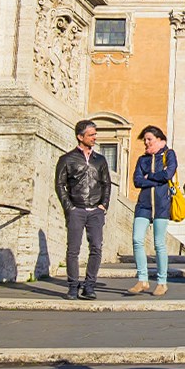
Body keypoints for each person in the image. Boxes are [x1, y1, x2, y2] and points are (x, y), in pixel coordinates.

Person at [54, 118, 111, 301]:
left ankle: (89, 285)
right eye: (91, 134)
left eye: (95, 134)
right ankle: (72, 286)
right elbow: (59, 184)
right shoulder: (67, 159)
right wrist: (69, 207)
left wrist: (104, 205)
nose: (95, 137)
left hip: (96, 210)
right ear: (80, 136)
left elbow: (106, 183)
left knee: (96, 247)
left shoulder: (100, 160)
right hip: (76, 209)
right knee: (73, 249)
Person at [129, 126, 176, 296]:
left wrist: (149, 177)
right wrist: (155, 180)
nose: (146, 143)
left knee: (159, 244)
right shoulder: (143, 159)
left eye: (149, 139)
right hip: (144, 204)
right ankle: (142, 279)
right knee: (137, 239)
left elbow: (168, 174)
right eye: (145, 140)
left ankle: (162, 282)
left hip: (162, 204)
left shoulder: (168, 155)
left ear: (159, 139)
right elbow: (137, 181)